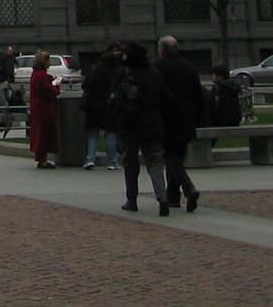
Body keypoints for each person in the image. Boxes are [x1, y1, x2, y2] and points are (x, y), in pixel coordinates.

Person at [115, 40, 171, 216]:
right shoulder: (154, 72)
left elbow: (113, 96)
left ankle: (132, 200)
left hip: (130, 122)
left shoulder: (123, 72)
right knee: (155, 161)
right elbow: (166, 97)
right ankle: (162, 197)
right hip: (152, 121)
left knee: (130, 163)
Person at [156, 35, 204, 212]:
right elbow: (198, 95)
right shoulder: (189, 67)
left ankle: (188, 188)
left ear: (162, 50)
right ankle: (173, 196)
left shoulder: (159, 68)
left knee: (171, 158)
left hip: (167, 119)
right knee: (177, 157)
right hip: (186, 119)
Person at [81, 44, 123, 170]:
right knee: (111, 134)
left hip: (94, 105)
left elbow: (85, 86)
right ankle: (112, 161)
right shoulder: (117, 72)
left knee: (93, 134)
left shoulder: (95, 70)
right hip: (110, 106)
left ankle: (90, 159)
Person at [28, 50, 60, 168]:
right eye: (48, 60)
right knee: (44, 134)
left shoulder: (35, 74)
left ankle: (41, 158)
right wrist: (56, 85)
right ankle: (42, 160)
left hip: (38, 108)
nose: (50, 62)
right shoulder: (41, 76)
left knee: (39, 134)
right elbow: (50, 92)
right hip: (44, 109)